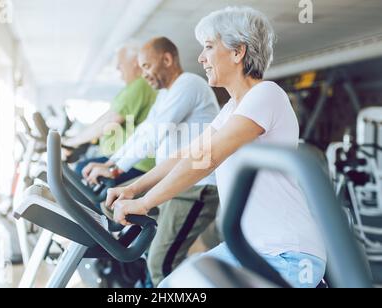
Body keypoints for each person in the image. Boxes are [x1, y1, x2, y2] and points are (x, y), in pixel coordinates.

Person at [106, 7, 327, 288]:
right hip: (249, 250)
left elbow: (206, 158)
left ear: (238, 52)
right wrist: (134, 188)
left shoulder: (266, 94)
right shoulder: (231, 109)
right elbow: (186, 154)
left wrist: (145, 203)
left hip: (286, 254)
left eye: (209, 47)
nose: (201, 58)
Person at [85, 37, 221, 286]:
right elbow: (143, 132)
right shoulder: (165, 94)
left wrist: (115, 169)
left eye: (147, 66)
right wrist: (112, 164)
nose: (144, 74)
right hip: (174, 181)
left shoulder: (189, 84)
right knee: (112, 205)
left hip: (197, 187)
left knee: (160, 264)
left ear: (167, 59)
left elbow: (155, 133)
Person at [63, 42, 157, 185]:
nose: (117, 67)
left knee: (83, 170)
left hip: (139, 163)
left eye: (120, 63)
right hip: (125, 156)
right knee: (84, 169)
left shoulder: (140, 85)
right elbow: (105, 118)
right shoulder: (133, 87)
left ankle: (96, 208)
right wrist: (74, 140)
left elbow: (109, 122)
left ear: (134, 63)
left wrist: (70, 142)